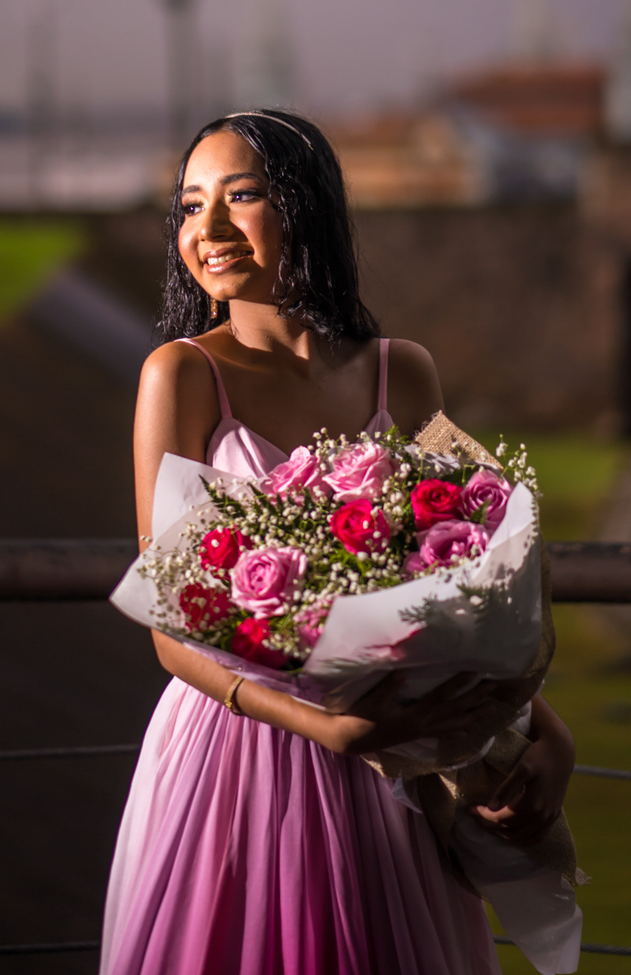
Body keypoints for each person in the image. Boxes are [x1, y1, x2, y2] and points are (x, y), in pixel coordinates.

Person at [101, 109, 575, 975]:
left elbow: (472, 584)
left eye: (240, 197)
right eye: (189, 205)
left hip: (392, 759)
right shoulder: (180, 375)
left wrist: (545, 728)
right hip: (237, 761)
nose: (206, 230)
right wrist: (326, 729)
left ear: (306, 206)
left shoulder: (404, 370)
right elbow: (173, 629)